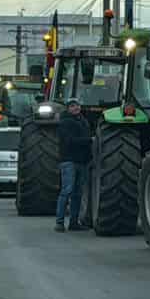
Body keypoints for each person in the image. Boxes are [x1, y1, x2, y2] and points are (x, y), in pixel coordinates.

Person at [56, 99, 93, 231]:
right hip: (69, 161)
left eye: (77, 105)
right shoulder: (65, 122)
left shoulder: (83, 122)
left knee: (78, 193)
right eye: (72, 106)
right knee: (67, 191)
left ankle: (73, 222)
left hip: (81, 161)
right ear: (67, 109)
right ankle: (59, 222)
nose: (75, 108)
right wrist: (88, 141)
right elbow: (69, 141)